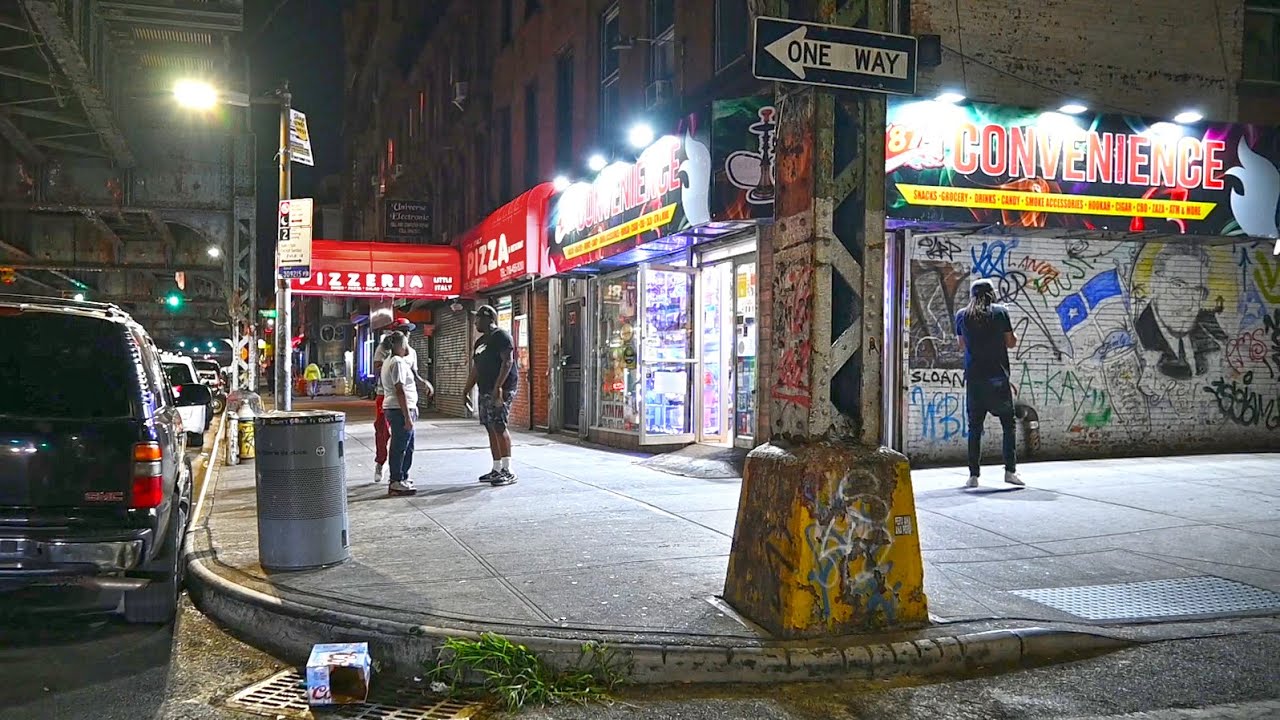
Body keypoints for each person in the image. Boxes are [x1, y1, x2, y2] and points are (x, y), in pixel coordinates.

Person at [955, 278, 1024, 488]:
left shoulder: (961, 315)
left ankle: (973, 476)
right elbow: (1011, 343)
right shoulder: (1001, 312)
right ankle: (1010, 471)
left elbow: (961, 345)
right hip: (997, 379)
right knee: (1008, 425)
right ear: (992, 294)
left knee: (974, 428)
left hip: (974, 379)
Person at [464, 305, 518, 486]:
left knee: (499, 425)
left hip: (501, 389)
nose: (476, 322)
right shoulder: (480, 343)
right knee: (490, 426)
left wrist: (498, 387)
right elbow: (476, 368)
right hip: (485, 389)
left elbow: (507, 361)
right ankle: (496, 468)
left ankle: (508, 469)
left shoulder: (501, 337)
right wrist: (466, 389)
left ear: (488, 318)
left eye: (478, 318)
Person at [372, 319, 432, 482]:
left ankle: (401, 475)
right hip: (390, 396)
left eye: (408, 330)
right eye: (403, 330)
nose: (407, 334)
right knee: (384, 432)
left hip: (405, 399)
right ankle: (384, 465)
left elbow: (413, 373)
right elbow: (395, 384)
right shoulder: (387, 353)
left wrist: (423, 383)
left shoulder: (410, 352)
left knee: (406, 440)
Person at [380, 332, 418, 497]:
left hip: (398, 408)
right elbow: (400, 390)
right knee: (400, 446)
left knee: (406, 445)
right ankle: (396, 480)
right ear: (398, 346)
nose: (407, 348)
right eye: (405, 344)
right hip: (399, 409)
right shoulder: (397, 362)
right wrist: (407, 417)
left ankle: (402, 477)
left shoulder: (391, 361)